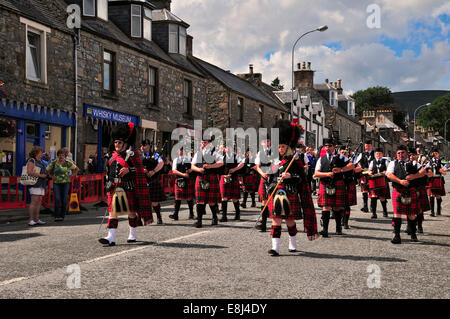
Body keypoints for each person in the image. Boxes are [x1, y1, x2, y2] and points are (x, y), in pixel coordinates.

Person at [266, 120, 318, 256]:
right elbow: (269, 178)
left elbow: (301, 178)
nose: (281, 149)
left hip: (290, 192)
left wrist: (290, 175)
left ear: (288, 147)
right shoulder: (274, 161)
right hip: (276, 192)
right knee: (276, 220)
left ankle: (292, 243)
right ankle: (275, 248)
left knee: (290, 221)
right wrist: (270, 186)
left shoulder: (294, 161)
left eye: (283, 146)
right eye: (279, 146)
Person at [99, 123, 153, 246]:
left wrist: (130, 170)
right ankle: (111, 237)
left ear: (125, 143)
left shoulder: (133, 155)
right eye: (115, 142)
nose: (116, 145)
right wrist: (107, 184)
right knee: (113, 212)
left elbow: (141, 171)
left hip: (128, 187)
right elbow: (107, 172)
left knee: (131, 212)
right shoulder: (111, 156)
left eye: (119, 143)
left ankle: (132, 234)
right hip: (115, 188)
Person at [386, 145, 427, 244]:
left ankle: (413, 234)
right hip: (398, 190)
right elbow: (389, 174)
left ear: (407, 153)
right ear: (396, 154)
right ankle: (397, 236)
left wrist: (414, 176)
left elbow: (423, 171)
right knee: (397, 214)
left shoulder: (413, 162)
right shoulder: (392, 163)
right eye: (399, 153)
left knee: (412, 215)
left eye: (403, 152)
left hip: (411, 190)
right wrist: (400, 181)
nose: (401, 155)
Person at [315, 139, 355, 237]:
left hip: (338, 183)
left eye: (329, 146)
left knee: (337, 207)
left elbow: (352, 165)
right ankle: (325, 229)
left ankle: (338, 228)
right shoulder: (321, 159)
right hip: (325, 184)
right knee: (326, 206)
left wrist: (341, 169)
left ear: (333, 147)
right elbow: (316, 173)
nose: (327, 148)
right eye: (326, 146)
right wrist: (327, 174)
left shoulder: (340, 157)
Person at [190, 136, 224, 228]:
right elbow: (192, 166)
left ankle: (214, 217)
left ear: (210, 143)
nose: (203, 144)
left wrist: (210, 166)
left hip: (211, 177)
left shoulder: (215, 153)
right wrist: (198, 169)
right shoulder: (198, 153)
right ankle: (199, 221)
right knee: (199, 201)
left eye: (204, 142)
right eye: (202, 142)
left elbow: (221, 162)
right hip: (200, 177)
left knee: (212, 201)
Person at [46, 148, 79, 222]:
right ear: (58, 155)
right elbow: (47, 169)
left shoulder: (67, 162)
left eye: (63, 155)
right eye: (60, 155)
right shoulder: (54, 162)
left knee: (64, 199)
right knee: (57, 199)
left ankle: (62, 215)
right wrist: (52, 176)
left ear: (65, 156)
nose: (61, 156)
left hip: (66, 183)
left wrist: (71, 176)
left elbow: (76, 169)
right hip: (56, 183)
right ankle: (57, 215)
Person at [140, 139, 166, 224]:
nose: (142, 147)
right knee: (142, 201)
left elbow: (161, 163)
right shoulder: (139, 156)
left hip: (152, 180)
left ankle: (159, 217)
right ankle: (142, 219)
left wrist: (154, 171)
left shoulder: (154, 155)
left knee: (154, 201)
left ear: (149, 146)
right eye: (142, 145)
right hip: (142, 180)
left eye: (144, 145)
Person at [219, 145, 245, 222]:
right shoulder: (221, 157)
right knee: (224, 197)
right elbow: (218, 167)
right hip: (224, 178)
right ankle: (224, 216)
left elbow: (242, 164)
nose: (228, 149)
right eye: (226, 147)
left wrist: (234, 169)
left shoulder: (235, 156)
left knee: (235, 198)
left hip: (233, 178)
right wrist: (223, 175)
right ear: (224, 149)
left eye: (229, 147)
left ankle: (237, 214)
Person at [169, 147, 195, 221]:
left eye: (182, 150)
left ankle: (191, 213)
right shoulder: (176, 159)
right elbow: (174, 171)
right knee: (178, 197)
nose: (180, 152)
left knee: (189, 198)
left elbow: (193, 168)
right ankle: (176, 214)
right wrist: (183, 174)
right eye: (180, 150)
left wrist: (190, 171)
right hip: (179, 180)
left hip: (188, 180)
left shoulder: (189, 159)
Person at [26, 146, 48, 226]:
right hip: (34, 183)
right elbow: (29, 171)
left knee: (38, 202)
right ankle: (31, 219)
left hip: (41, 184)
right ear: (36, 153)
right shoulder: (31, 160)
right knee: (34, 201)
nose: (42, 154)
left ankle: (36, 218)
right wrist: (41, 175)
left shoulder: (40, 161)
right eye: (40, 152)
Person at [254, 138, 272, 232]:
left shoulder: (275, 151)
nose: (266, 143)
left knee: (273, 200)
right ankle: (263, 223)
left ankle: (275, 222)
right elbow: (258, 166)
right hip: (264, 177)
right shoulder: (260, 153)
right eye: (264, 141)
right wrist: (262, 174)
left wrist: (270, 172)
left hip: (273, 177)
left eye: (267, 141)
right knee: (264, 200)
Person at [367, 148, 390, 219]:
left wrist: (385, 172)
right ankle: (374, 213)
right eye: (377, 154)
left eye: (380, 154)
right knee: (373, 197)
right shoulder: (372, 162)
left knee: (382, 198)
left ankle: (385, 211)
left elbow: (389, 171)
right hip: (374, 182)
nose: (378, 155)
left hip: (383, 181)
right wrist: (369, 172)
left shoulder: (385, 161)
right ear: (374, 155)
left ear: (382, 154)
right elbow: (369, 170)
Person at [354, 140, 375, 213]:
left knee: (372, 190)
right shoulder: (361, 154)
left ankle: (372, 206)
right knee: (364, 190)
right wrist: (360, 167)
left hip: (372, 174)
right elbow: (357, 162)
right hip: (364, 173)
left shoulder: (375, 153)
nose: (367, 147)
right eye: (366, 146)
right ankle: (365, 206)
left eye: (369, 146)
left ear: (371, 146)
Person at [427, 148, 447, 216]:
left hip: (438, 179)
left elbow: (444, 171)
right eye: (434, 153)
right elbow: (425, 169)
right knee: (432, 195)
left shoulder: (440, 161)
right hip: (432, 179)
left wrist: (443, 170)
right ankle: (432, 212)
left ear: (438, 154)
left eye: (436, 153)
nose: (435, 154)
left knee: (438, 195)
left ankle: (438, 211)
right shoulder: (429, 161)